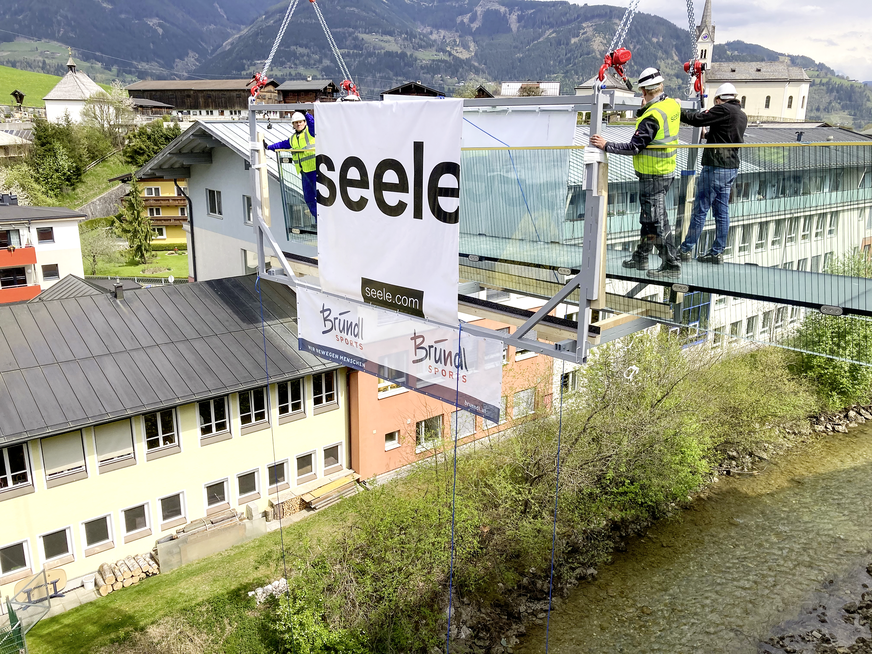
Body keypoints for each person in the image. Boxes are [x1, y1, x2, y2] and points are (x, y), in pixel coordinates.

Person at [590, 67, 682, 279]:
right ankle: (641, 256)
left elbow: (634, 146)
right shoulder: (671, 105)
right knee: (648, 218)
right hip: (664, 171)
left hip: (653, 175)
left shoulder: (652, 116)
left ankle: (672, 264)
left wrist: (606, 145)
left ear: (645, 92)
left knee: (657, 220)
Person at [677, 82, 748, 264]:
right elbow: (726, 135)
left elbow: (697, 119)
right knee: (722, 211)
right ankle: (716, 252)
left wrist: (677, 109)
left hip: (716, 166)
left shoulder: (722, 109)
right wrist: (706, 136)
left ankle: (685, 249)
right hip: (731, 167)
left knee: (700, 209)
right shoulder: (741, 114)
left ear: (718, 99)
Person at [265, 111, 317, 221]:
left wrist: (307, 114)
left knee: (320, 197)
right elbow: (281, 145)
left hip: (315, 170)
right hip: (304, 172)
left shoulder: (310, 132)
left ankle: (323, 219)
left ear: (304, 122)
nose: (298, 124)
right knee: (309, 198)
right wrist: (268, 147)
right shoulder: (293, 139)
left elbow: (313, 124)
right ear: (293, 125)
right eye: (296, 122)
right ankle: (318, 219)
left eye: (300, 122)